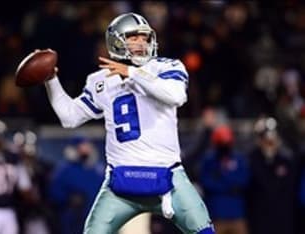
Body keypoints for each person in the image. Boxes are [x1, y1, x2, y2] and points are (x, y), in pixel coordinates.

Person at [43, 13, 214, 234]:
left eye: (144, 38)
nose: (141, 43)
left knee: (204, 231)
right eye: (134, 38)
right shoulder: (101, 80)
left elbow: (176, 95)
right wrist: (51, 81)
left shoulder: (165, 67)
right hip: (119, 183)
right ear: (116, 40)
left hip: (169, 176)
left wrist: (132, 73)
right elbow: (69, 117)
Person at [246, 117, 297, 234]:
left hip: (281, 217)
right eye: (265, 140)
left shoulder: (286, 160)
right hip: (259, 217)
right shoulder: (252, 159)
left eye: (272, 140)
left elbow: (289, 189)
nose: (269, 144)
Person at [199, 125, 250, 234]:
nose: (224, 146)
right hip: (217, 215)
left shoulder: (239, 159)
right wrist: (230, 186)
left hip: (237, 214)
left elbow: (244, 180)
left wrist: (221, 180)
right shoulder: (209, 161)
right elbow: (206, 183)